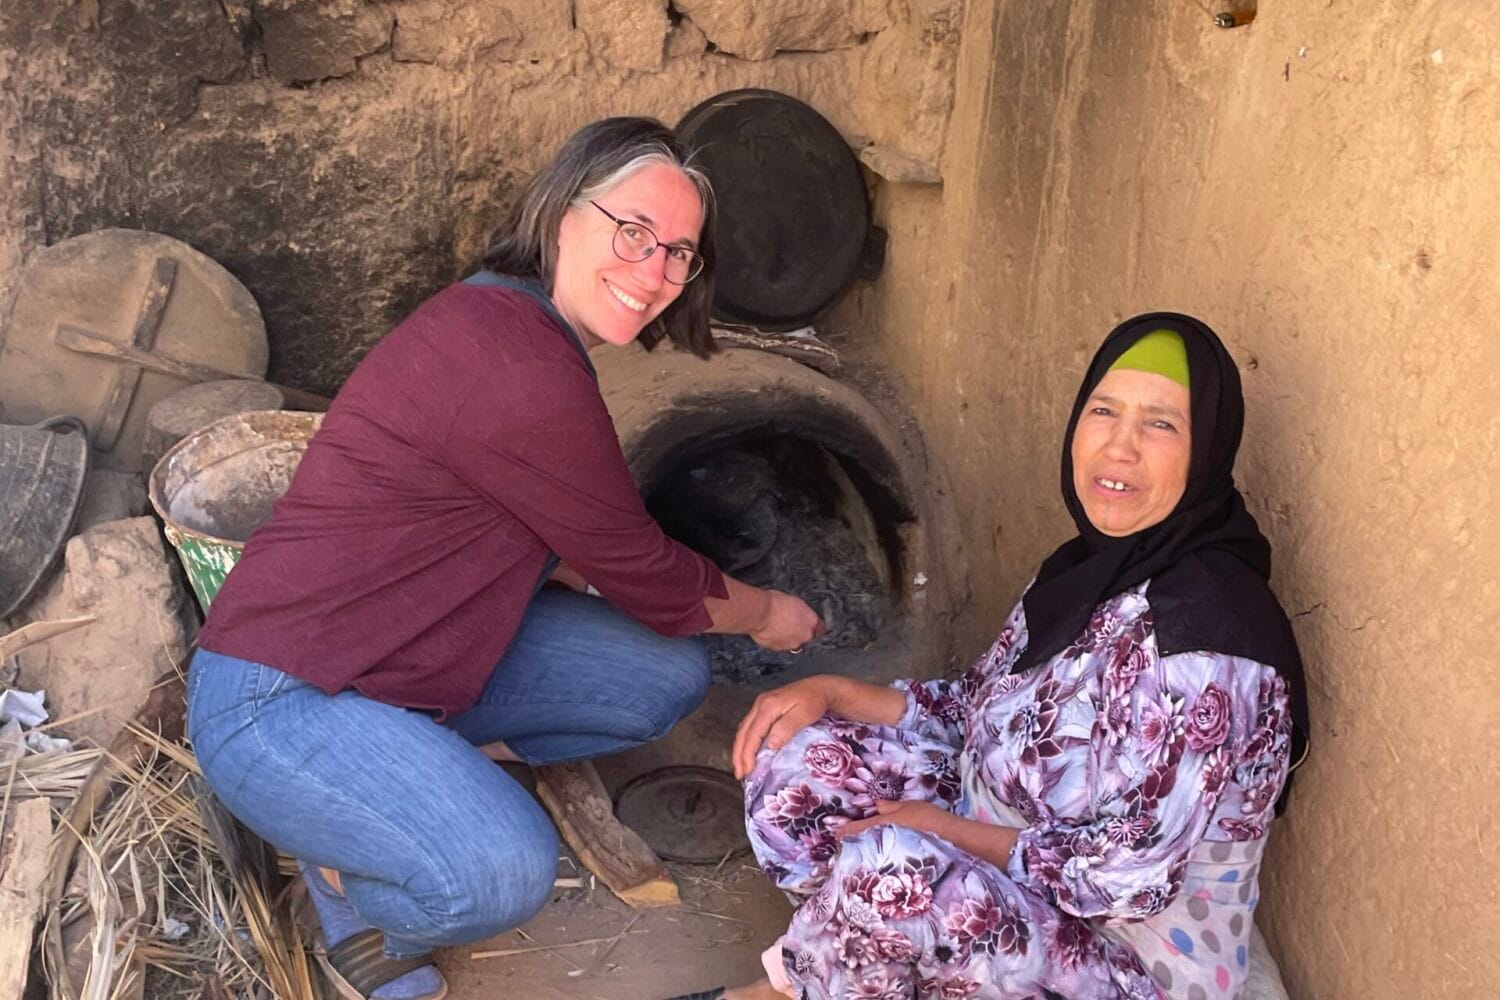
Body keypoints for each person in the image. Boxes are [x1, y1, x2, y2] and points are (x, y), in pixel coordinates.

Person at [186, 117, 824, 1000]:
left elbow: (539, 532)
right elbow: (648, 574)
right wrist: (769, 614)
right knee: (502, 875)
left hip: (395, 658)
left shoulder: (512, 318)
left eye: (679, 253)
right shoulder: (518, 362)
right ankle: (352, 884)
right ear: (563, 214)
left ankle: (410, 773)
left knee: (658, 677)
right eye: (631, 232)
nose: (653, 273)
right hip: (280, 696)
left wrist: (585, 565)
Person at [680, 314, 1310, 1000]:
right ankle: (860, 960)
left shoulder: (1208, 638)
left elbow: (1128, 880)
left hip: (1130, 959)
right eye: (1104, 411)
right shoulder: (1086, 572)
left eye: (1160, 425)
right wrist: (830, 693)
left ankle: (791, 987)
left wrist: (942, 833)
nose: (1120, 447)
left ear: (1206, 452)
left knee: (896, 870)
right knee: (795, 764)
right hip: (1007, 848)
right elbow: (976, 710)